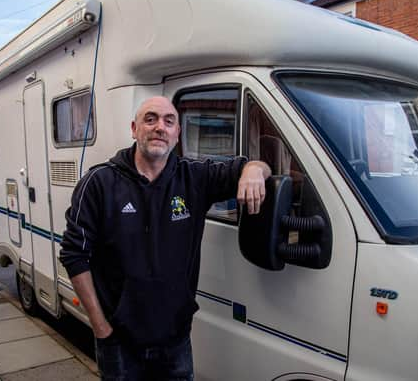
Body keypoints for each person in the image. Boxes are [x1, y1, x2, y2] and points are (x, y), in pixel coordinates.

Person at [60, 96, 271, 380]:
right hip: (119, 343)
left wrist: (254, 171)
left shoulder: (194, 178)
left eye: (169, 121)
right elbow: (74, 255)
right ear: (134, 129)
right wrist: (100, 326)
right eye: (151, 119)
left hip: (175, 342)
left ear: (177, 134)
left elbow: (258, 165)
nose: (160, 127)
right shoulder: (99, 182)